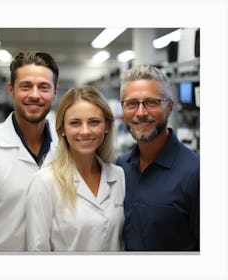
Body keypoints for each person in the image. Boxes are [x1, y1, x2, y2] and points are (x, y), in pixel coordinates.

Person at [0, 51, 59, 252]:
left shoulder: (66, 148)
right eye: (26, 86)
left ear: (55, 93)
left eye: (44, 87)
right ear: (11, 90)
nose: (35, 95)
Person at [26, 85, 125, 252]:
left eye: (94, 122)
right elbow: (37, 251)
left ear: (107, 126)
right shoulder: (45, 182)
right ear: (62, 129)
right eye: (75, 123)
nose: (85, 131)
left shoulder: (118, 175)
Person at [116, 64, 200, 251]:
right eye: (132, 104)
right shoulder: (121, 167)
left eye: (151, 102)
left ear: (169, 108)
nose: (141, 113)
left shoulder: (195, 172)